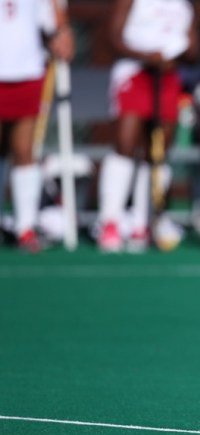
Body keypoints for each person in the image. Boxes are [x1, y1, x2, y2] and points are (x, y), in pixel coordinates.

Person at [97, 0, 198, 253]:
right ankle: (110, 221)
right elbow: (113, 37)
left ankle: (143, 223)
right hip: (134, 73)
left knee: (158, 152)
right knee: (125, 145)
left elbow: (194, 49)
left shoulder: (183, 5)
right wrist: (147, 56)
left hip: (167, 77)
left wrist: (178, 53)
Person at [0, 0, 74, 252]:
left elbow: (54, 23)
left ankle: (25, 227)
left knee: (24, 150)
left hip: (28, 70)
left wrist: (61, 35)